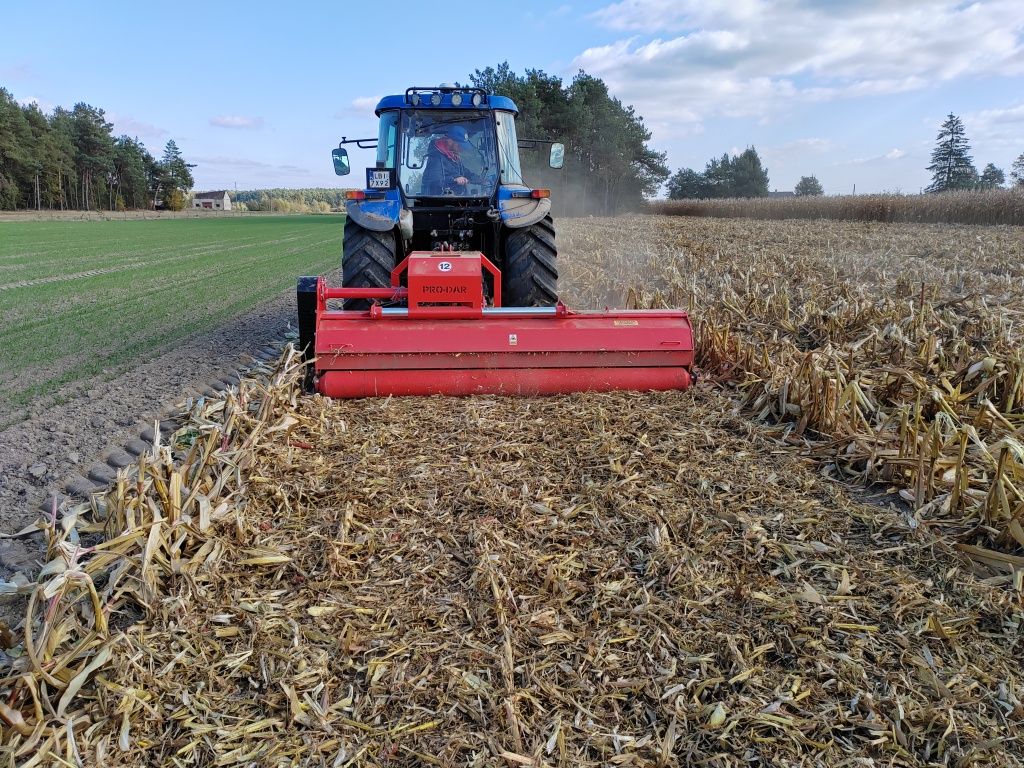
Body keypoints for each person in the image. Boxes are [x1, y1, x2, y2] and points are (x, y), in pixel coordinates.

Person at [422, 125, 481, 195]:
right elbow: (434, 181)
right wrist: (454, 180)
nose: (461, 149)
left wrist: (480, 179)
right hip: (440, 200)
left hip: (457, 198)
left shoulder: (453, 156)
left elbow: (464, 172)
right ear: (450, 141)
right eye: (459, 145)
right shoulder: (435, 157)